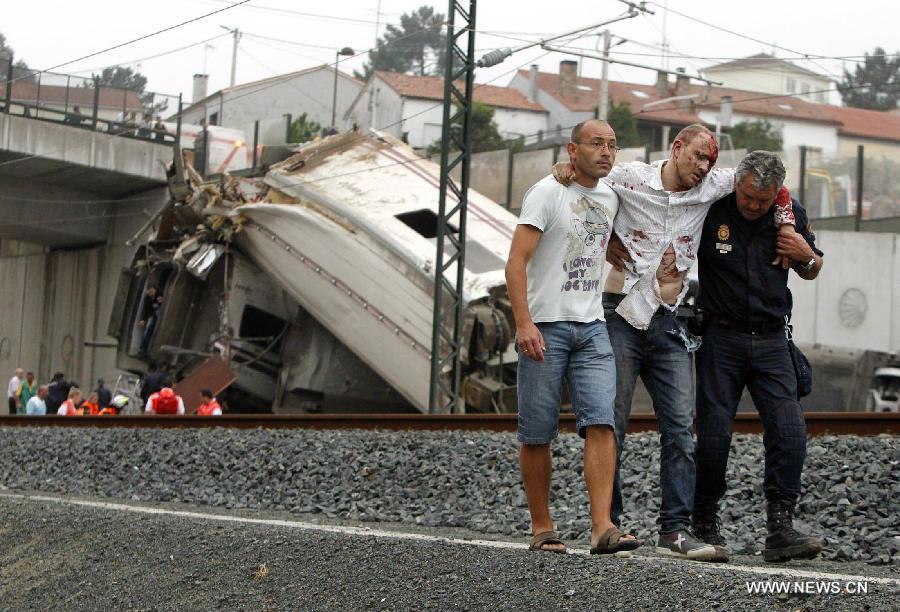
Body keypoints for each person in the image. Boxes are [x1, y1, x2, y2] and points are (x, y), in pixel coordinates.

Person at [552, 124, 798, 561]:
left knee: (682, 429)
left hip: (672, 319)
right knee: (612, 423)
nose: (703, 168)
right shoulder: (629, 177)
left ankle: (677, 529)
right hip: (621, 313)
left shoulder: (718, 183)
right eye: (697, 157)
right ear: (676, 147)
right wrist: (595, 217)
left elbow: (775, 185)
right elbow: (582, 182)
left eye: (710, 161)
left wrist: (788, 220)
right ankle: (609, 524)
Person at [506, 119, 639, 555]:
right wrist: (524, 323)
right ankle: (542, 527)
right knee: (538, 431)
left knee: (602, 421)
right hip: (546, 325)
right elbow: (516, 263)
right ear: (572, 149)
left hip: (592, 325)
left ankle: (602, 527)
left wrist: (614, 247)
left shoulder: (611, 196)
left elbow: (598, 234)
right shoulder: (547, 192)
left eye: (612, 145)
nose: (606, 151)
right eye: (596, 144)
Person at [692, 151, 824, 563]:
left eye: (763, 201)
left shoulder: (789, 213)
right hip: (720, 338)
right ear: (737, 185)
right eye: (748, 197)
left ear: (776, 195)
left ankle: (781, 529)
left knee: (790, 432)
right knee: (713, 435)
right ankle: (704, 524)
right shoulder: (710, 206)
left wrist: (806, 254)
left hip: (771, 340)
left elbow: (812, 268)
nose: (753, 206)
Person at [138, 285, 163, 355]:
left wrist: (161, 301)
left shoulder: (160, 294)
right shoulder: (147, 298)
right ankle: (143, 348)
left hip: (159, 315)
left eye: (152, 291)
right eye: (149, 292)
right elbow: (145, 309)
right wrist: (142, 319)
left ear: (154, 290)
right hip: (152, 316)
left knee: (153, 332)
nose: (150, 293)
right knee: (147, 331)